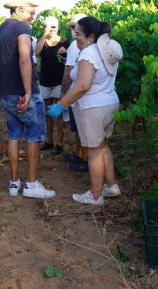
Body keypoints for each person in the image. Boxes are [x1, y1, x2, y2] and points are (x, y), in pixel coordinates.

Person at [47, 16, 123, 205]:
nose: (74, 37)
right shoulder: (104, 51)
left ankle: (95, 195)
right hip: (108, 103)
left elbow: (82, 85)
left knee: (94, 151)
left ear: (91, 36)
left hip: (92, 108)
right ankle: (111, 186)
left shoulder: (89, 54)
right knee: (102, 145)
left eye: (78, 33)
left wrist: (61, 104)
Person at [0, 0, 56, 199]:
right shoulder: (23, 29)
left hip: (5, 92)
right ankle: (31, 185)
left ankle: (14, 183)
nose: (33, 17)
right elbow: (24, 58)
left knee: (13, 135)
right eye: (31, 12)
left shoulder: (0, 30)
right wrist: (28, 92)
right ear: (18, 10)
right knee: (34, 136)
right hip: (22, 93)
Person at [35, 15, 70, 155]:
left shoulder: (64, 42)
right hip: (45, 82)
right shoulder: (42, 42)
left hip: (59, 82)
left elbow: (69, 60)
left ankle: (59, 143)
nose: (51, 30)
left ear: (58, 27)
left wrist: (65, 53)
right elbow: (36, 52)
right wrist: (44, 35)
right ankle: (49, 141)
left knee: (59, 114)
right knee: (47, 113)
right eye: (49, 27)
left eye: (54, 27)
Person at [61, 13, 89, 172]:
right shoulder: (87, 45)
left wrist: (63, 93)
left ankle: (83, 158)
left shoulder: (74, 46)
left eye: (75, 27)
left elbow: (68, 71)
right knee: (79, 128)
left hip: (76, 93)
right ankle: (80, 155)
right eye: (71, 27)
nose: (73, 30)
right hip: (82, 94)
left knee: (79, 128)